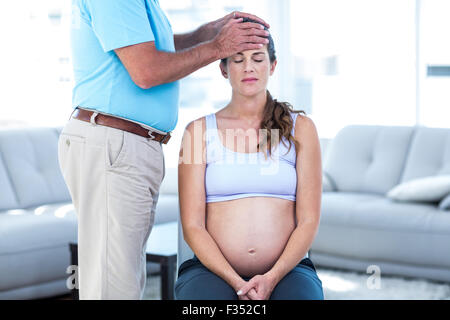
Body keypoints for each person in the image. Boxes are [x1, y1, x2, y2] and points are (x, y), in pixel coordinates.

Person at [58, 0, 270, 300]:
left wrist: (209, 34)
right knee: (113, 288)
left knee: (123, 279)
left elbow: (148, 49)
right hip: (114, 143)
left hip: (125, 144)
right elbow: (146, 70)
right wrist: (217, 47)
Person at [175, 17, 324, 300]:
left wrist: (271, 278)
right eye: (238, 59)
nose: (249, 68)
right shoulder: (196, 132)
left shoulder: (302, 128)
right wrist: (236, 283)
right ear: (223, 68)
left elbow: (308, 220)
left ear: (273, 65)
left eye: (257, 58)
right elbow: (193, 226)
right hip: (211, 271)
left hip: (288, 270)